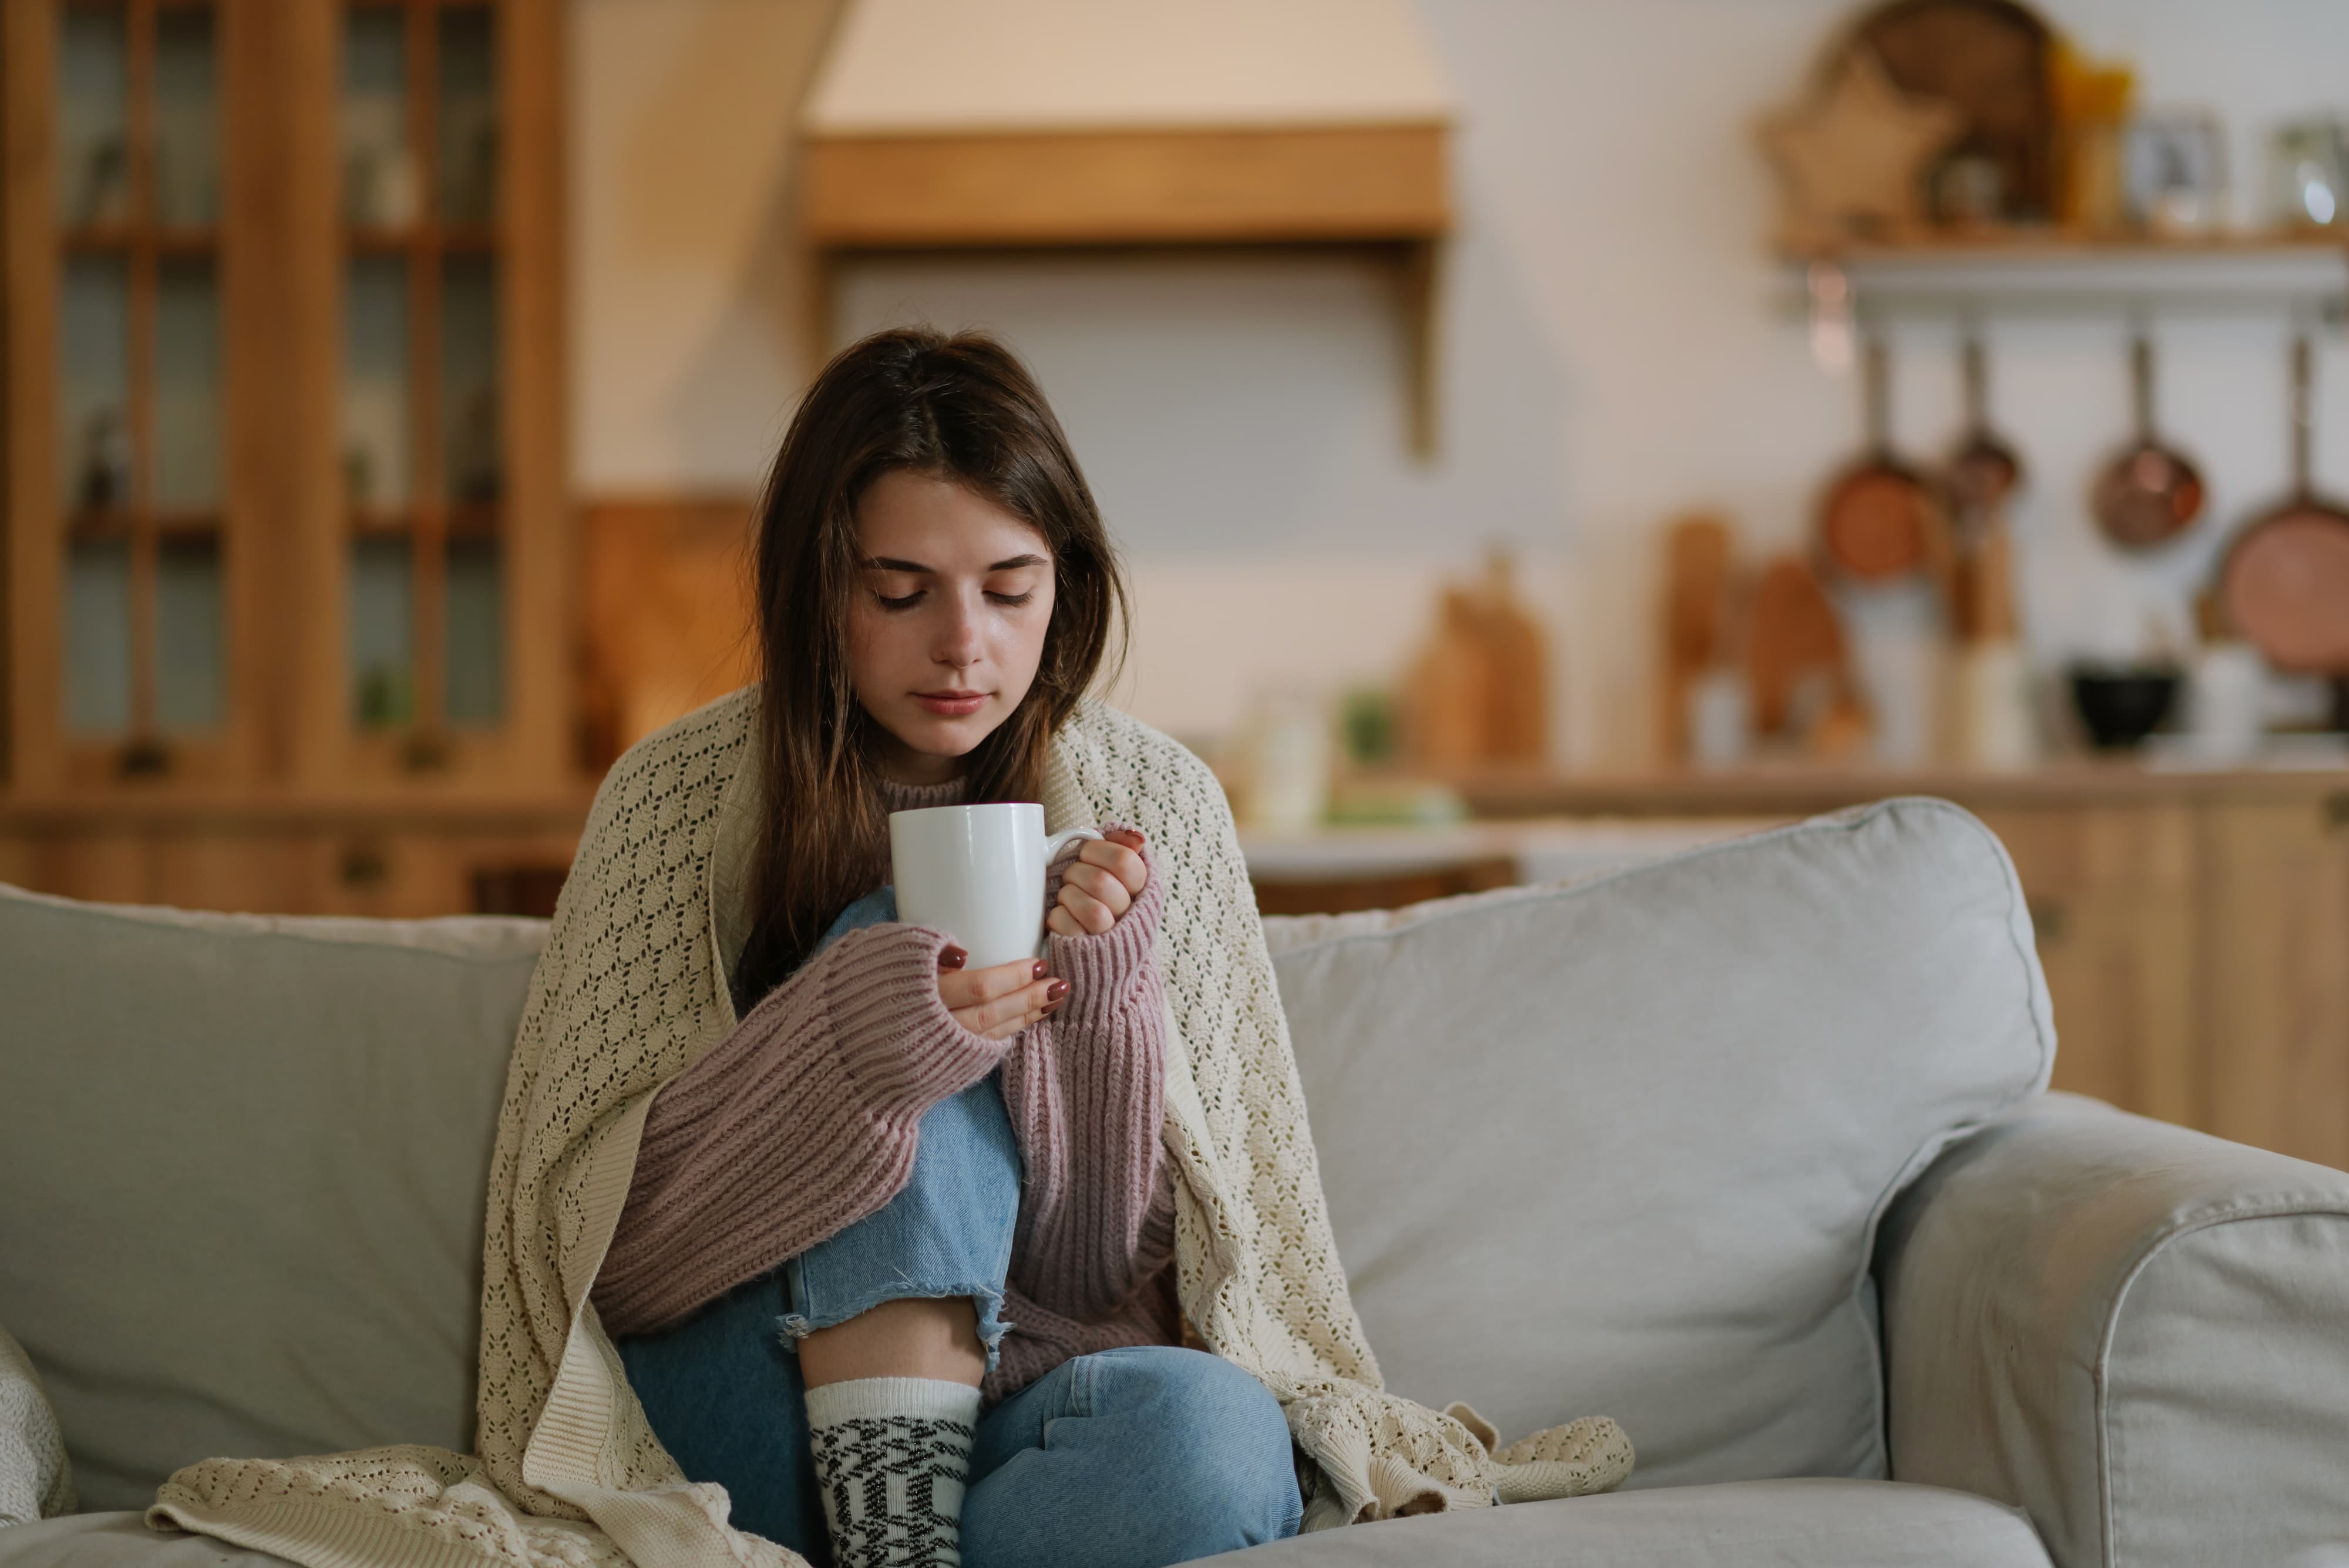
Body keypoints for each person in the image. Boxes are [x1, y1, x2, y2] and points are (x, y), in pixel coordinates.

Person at [592, 328, 1301, 1568]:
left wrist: (1097, 1003)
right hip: (746, 1396)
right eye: (900, 591)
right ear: (820, 589)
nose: (963, 644)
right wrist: (857, 1044)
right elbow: (617, 1260)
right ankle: (895, 1534)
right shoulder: (670, 806)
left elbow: (1088, 1280)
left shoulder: (1158, 804)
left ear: (1063, 584)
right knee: (891, 952)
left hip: (1021, 1411)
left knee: (1217, 1443)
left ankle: (902, 1549)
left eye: (1008, 588)